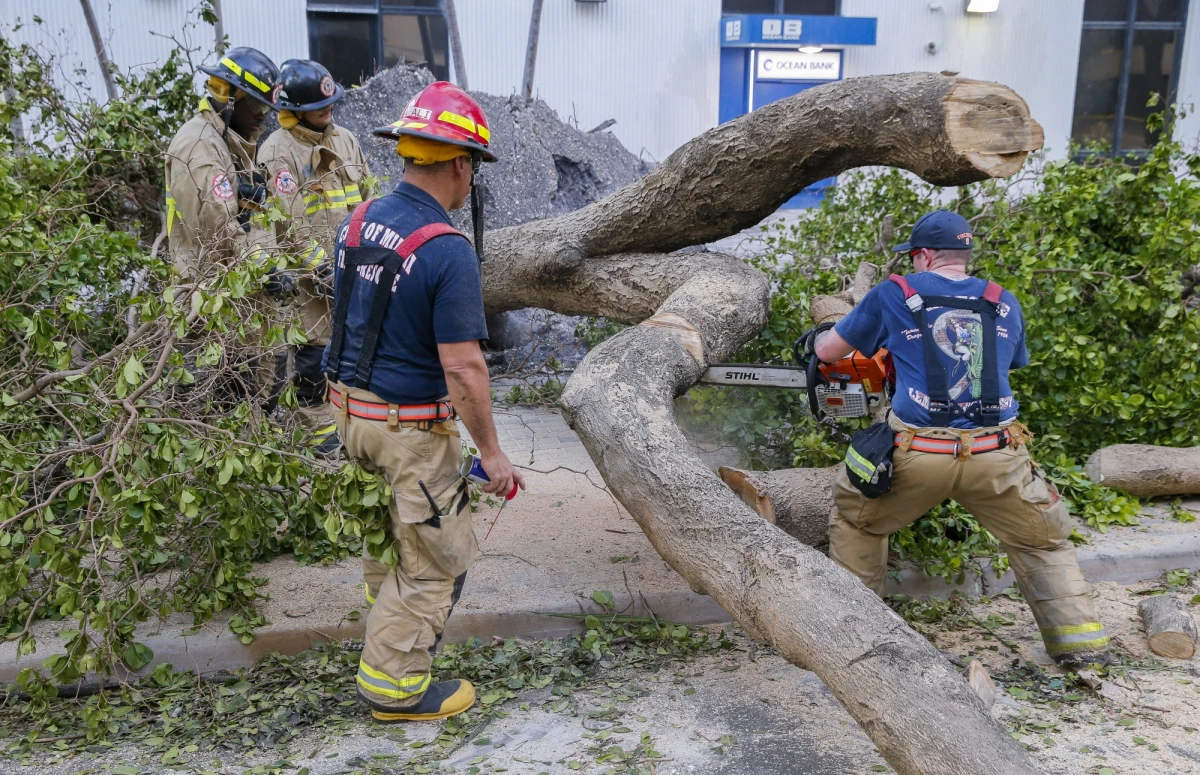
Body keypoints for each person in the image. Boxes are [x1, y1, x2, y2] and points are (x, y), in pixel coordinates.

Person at [813, 210, 1111, 670]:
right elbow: (1006, 363)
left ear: (924, 255)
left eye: (914, 258)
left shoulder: (894, 292)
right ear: (964, 256)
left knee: (858, 522)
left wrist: (829, 336)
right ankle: (1082, 648)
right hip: (999, 454)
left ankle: (856, 647)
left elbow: (830, 352)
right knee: (1042, 541)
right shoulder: (1003, 299)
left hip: (918, 454)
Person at [323, 81, 526, 722]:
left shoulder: (358, 221)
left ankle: (388, 649)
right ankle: (396, 688)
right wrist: (491, 454)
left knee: (391, 544)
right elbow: (462, 367)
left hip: (350, 416)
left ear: (409, 155)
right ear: (461, 165)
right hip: (407, 430)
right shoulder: (446, 248)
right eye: (472, 170)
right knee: (437, 563)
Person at [164, 47, 293, 403]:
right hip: (211, 304)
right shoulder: (201, 148)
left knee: (260, 397)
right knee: (224, 410)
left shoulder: (230, 142)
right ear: (231, 97)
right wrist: (265, 270)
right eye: (258, 106)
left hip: (239, 300)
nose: (264, 118)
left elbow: (246, 218)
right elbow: (217, 229)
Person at [260, 59, 371, 453]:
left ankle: (353, 428)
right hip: (309, 281)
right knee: (313, 360)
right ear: (293, 110)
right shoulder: (277, 152)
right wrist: (319, 265)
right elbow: (287, 222)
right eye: (318, 107)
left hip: (353, 269)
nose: (329, 111)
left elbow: (367, 199)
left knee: (356, 355)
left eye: (331, 104)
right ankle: (318, 436)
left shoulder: (346, 140)